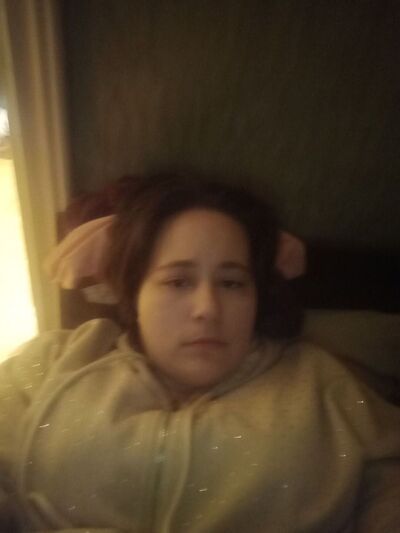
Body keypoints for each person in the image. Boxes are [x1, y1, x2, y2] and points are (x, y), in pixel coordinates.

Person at [0, 174, 399, 532]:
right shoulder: (53, 361)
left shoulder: (320, 383)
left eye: (232, 283)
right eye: (178, 281)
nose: (207, 308)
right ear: (134, 294)